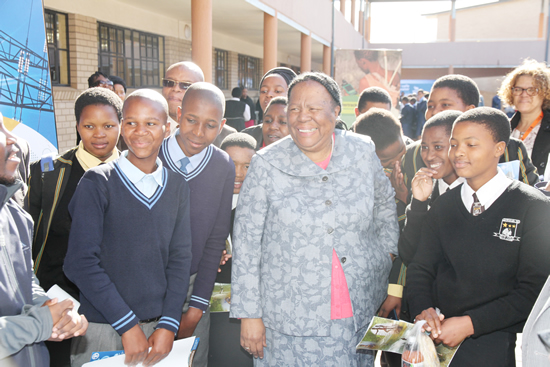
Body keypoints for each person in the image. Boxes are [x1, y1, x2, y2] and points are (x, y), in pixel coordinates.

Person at [230, 72, 399, 365]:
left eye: (313, 108)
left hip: (358, 305)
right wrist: (250, 315)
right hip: (288, 318)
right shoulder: (267, 164)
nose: (301, 117)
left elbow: (385, 204)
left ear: (336, 111)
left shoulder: (361, 151)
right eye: (294, 109)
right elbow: (246, 244)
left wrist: (385, 254)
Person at [407, 107, 550, 367]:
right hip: (438, 341)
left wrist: (471, 324)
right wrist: (424, 308)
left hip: (498, 343)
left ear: (499, 148)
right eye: (454, 144)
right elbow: (420, 267)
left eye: (471, 144)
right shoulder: (443, 206)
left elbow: (534, 290)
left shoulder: (533, 207)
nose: (458, 152)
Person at [64, 89, 192, 367]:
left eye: (151, 123)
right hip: (105, 328)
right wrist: (127, 325)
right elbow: (80, 262)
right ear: (121, 127)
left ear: (167, 128)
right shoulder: (97, 182)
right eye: (131, 122)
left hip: (159, 331)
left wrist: (170, 323)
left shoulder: (177, 186)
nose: (140, 131)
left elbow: (180, 260)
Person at [26, 88, 122, 367]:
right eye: (89, 126)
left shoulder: (137, 171)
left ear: (121, 124)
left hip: (115, 302)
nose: (99, 134)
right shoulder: (47, 173)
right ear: (77, 125)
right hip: (58, 301)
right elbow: (28, 238)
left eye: (108, 126)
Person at [0, 116, 88, 367]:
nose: (13, 139)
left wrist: (57, 311)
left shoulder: (15, 214)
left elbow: (26, 281)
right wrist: (40, 324)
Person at [158, 82, 235, 367]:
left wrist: (197, 307)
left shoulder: (222, 165)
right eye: (191, 120)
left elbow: (216, 238)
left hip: (194, 287)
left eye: (210, 125)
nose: (199, 133)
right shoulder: (150, 154)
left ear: (222, 125)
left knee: (188, 361)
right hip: (147, 286)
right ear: (178, 113)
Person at [208, 133, 256, 367]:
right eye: (231, 163)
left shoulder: (260, 208)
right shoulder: (205, 203)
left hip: (250, 309)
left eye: (247, 165)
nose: (239, 172)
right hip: (211, 306)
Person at [498, 59, 550, 176]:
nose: (524, 94)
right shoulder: (503, 128)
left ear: (545, 92)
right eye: (518, 89)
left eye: (532, 90)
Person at [242, 67, 297, 149]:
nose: (269, 95)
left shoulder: (306, 138)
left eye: (277, 91)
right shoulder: (247, 137)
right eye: (264, 91)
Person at [161, 61, 204, 135]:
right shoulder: (144, 129)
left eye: (185, 85)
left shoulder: (223, 135)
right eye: (169, 82)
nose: (176, 89)